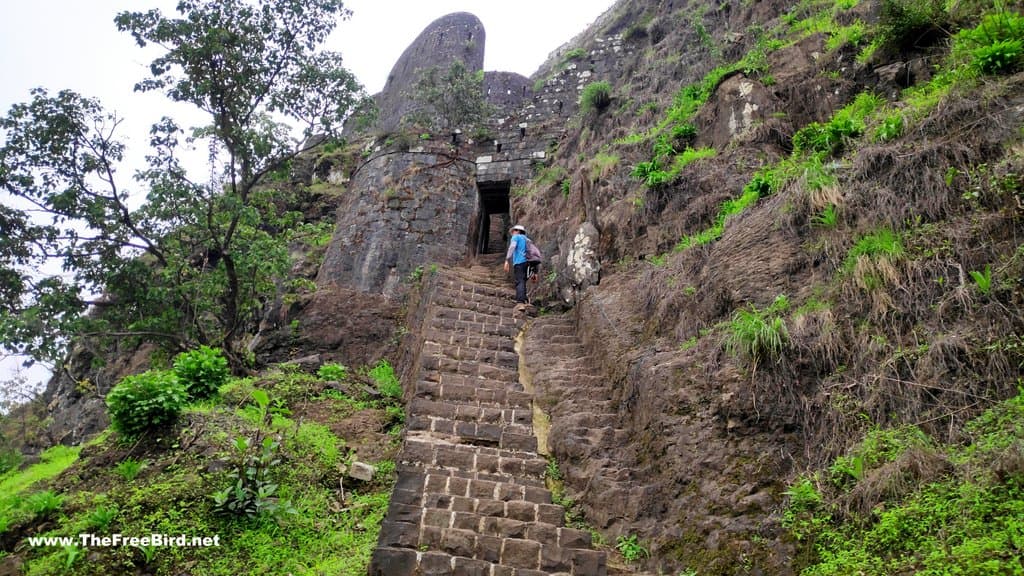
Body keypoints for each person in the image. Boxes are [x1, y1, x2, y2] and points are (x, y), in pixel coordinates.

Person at [503, 224, 529, 308]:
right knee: (523, 280)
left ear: (517, 231)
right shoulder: (527, 239)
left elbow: (512, 247)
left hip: (519, 262)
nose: (512, 233)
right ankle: (524, 299)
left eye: (513, 231)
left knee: (519, 281)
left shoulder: (516, 237)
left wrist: (507, 259)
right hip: (528, 262)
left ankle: (520, 301)